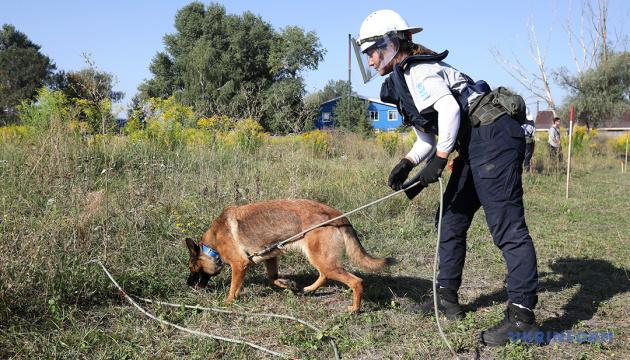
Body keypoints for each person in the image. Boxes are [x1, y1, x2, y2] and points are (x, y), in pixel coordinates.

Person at [355, 9, 539, 346]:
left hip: (493, 137)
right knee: (450, 218)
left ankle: (522, 317)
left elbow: (452, 111)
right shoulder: (403, 78)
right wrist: (408, 162)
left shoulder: (419, 69)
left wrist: (440, 160)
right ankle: (446, 299)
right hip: (475, 144)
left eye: (370, 52)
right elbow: (429, 134)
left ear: (390, 43)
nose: (368, 61)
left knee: (507, 228)